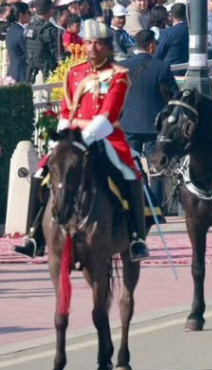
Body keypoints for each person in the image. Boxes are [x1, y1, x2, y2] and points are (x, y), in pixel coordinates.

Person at [15, 20, 150, 262]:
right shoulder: (74, 72)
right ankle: (34, 236)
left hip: (105, 136)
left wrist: (82, 139)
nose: (93, 48)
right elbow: (67, 110)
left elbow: (109, 114)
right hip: (72, 137)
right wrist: (62, 136)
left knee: (130, 175)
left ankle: (136, 237)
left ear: (107, 46)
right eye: (88, 42)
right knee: (40, 174)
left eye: (98, 43)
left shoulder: (118, 75)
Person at [121, 29, 178, 209]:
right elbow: (174, 95)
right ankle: (155, 206)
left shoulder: (123, 67)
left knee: (129, 165)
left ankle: (131, 204)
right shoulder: (161, 67)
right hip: (155, 125)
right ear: (152, 45)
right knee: (157, 167)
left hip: (129, 123)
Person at [25, 0, 60, 83]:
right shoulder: (50, 30)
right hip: (47, 73)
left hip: (31, 72)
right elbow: (57, 53)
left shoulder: (30, 27)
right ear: (49, 10)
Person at [5, 1, 29, 82]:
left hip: (12, 71)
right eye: (28, 13)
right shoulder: (21, 32)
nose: (30, 15)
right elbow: (27, 52)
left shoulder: (11, 29)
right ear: (21, 15)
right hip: (21, 72)